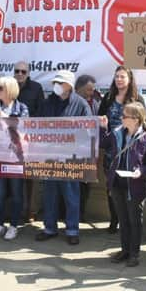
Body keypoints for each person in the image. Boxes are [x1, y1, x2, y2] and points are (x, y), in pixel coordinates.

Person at [35, 70, 92, 245]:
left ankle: (72, 230)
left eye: (60, 83)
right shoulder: (47, 103)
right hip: (50, 156)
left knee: (71, 195)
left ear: (70, 86)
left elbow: (89, 130)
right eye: (55, 83)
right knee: (49, 194)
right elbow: (36, 125)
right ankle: (49, 228)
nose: (56, 86)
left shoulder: (81, 104)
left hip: (71, 157)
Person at [100, 102, 146, 267]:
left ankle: (134, 253)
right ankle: (125, 250)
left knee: (135, 221)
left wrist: (142, 172)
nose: (121, 118)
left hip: (136, 186)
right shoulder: (118, 133)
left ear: (136, 119)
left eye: (125, 116)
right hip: (118, 183)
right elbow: (102, 144)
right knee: (123, 220)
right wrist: (103, 128)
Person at [98, 66, 145, 233]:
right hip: (112, 150)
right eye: (117, 76)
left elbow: (143, 124)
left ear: (129, 79)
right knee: (111, 185)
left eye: (122, 77)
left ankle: (128, 220)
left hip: (131, 149)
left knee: (128, 186)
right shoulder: (109, 98)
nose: (119, 79)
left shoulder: (137, 99)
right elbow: (101, 117)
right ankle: (114, 220)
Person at [0, 76, 29, 240]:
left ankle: (14, 225)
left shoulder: (22, 108)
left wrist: (4, 117)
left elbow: (24, 130)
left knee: (17, 192)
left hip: (15, 157)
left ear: (9, 90)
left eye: (0, 88)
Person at [14, 61, 44, 222]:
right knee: (14, 175)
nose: (19, 74)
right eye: (17, 71)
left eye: (23, 71)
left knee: (31, 177)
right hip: (11, 139)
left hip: (31, 138)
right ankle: (16, 211)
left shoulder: (36, 88)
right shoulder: (9, 87)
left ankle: (31, 211)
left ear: (28, 73)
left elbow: (41, 111)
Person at [75, 73, 101, 221]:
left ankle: (80, 214)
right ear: (78, 89)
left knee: (85, 184)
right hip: (72, 150)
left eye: (92, 90)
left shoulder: (95, 102)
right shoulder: (71, 101)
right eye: (88, 90)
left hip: (89, 149)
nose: (90, 93)